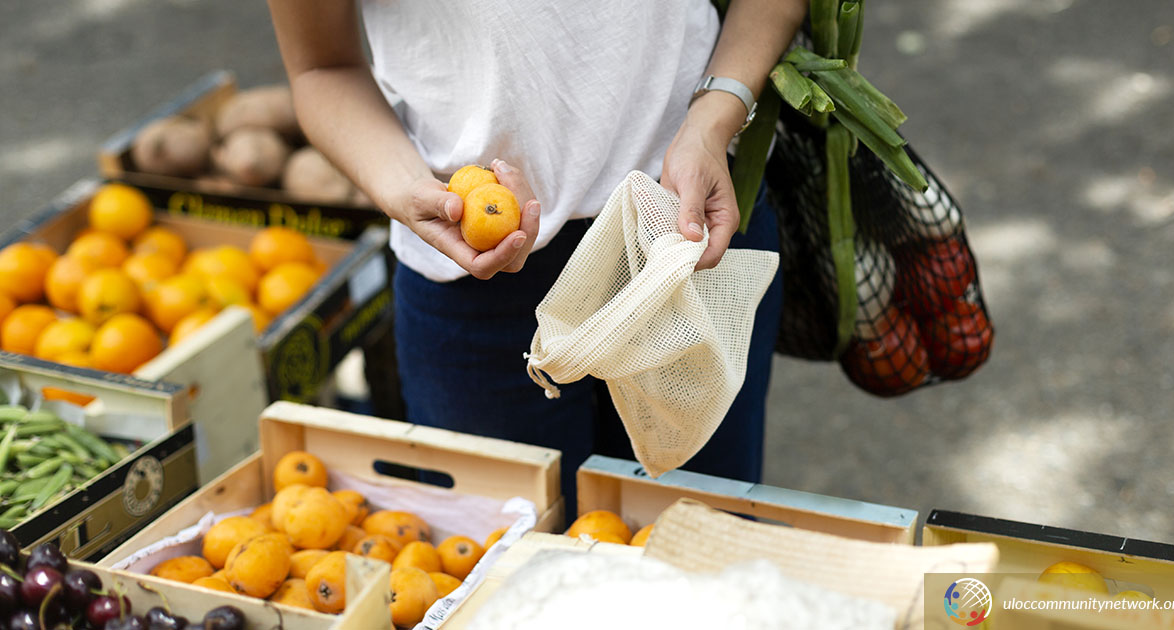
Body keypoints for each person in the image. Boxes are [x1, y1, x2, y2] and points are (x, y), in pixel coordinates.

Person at [266, 1, 806, 512]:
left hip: (685, 230)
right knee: (509, 586)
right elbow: (322, 69)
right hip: (471, 280)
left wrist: (714, 118)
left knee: (703, 568)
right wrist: (408, 187)